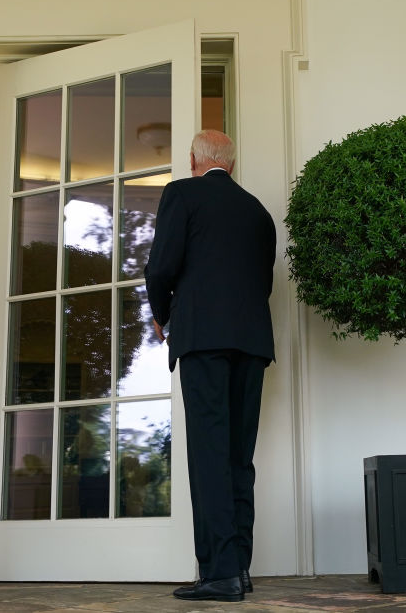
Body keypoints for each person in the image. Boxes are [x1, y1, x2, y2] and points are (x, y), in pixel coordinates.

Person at [144, 129, 276, 602]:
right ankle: (239, 569)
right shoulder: (258, 211)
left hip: (203, 340)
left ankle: (220, 573)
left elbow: (160, 268)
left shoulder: (182, 193)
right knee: (239, 457)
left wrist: (163, 316)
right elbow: (263, 282)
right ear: (232, 166)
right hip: (253, 342)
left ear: (194, 160)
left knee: (209, 455)